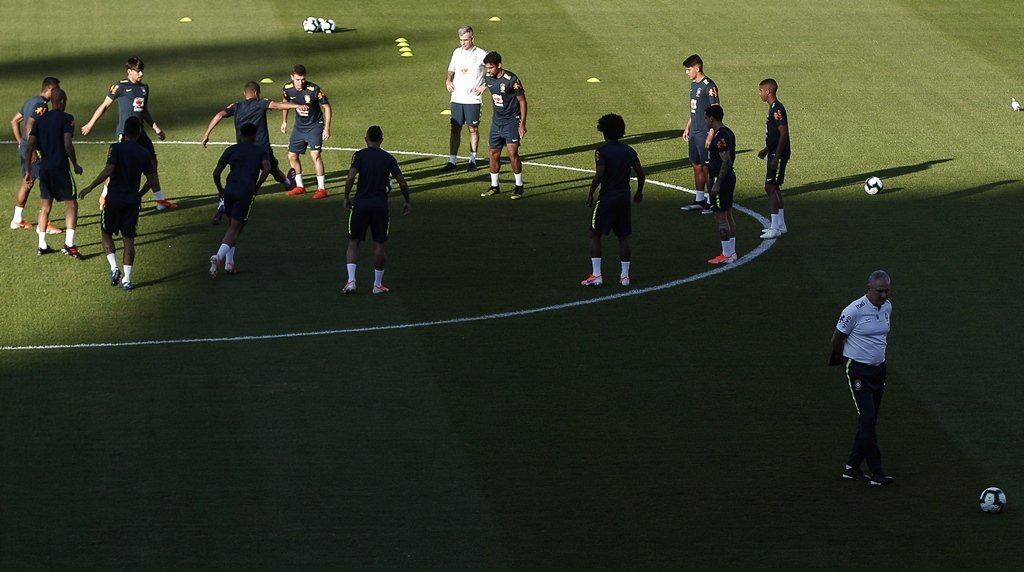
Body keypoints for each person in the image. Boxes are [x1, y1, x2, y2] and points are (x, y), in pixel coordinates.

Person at [80, 56, 177, 211]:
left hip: (141, 133)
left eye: (142, 71)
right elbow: (104, 105)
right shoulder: (119, 86)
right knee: (115, 167)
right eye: (138, 71)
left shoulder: (144, 88)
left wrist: (156, 128)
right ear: (129, 71)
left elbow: (144, 110)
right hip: (124, 134)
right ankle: (105, 196)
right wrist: (91, 124)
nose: (141, 74)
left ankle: (160, 201)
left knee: (153, 164)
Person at [201, 81, 307, 223]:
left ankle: (221, 207)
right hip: (261, 148)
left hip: (242, 150)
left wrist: (206, 134)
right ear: (257, 93)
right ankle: (288, 183)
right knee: (272, 169)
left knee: (237, 179)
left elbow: (219, 115)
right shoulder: (260, 103)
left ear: (245, 94)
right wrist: (297, 105)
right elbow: (277, 105)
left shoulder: (236, 106)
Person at [79, 117, 159, 291]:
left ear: (124, 131)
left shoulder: (116, 148)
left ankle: (114, 267)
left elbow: (109, 170)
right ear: (138, 132)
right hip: (131, 201)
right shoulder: (144, 153)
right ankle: (127, 280)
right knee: (128, 240)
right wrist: (139, 195)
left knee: (106, 233)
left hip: (114, 199)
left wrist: (90, 187)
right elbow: (152, 180)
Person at [830, 270, 894, 486]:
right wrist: (845, 361)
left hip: (879, 370)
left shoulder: (887, 307)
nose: (884, 295)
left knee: (869, 420)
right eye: (879, 291)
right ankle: (876, 472)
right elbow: (836, 339)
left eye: (886, 291)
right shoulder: (853, 311)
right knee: (867, 419)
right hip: (858, 371)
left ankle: (851, 467)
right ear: (869, 289)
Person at [342, 125, 411, 294]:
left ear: (366, 140)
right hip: (380, 206)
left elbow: (351, 177)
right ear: (381, 140)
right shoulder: (388, 158)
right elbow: (402, 181)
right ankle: (377, 285)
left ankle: (351, 281)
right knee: (379, 243)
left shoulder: (359, 156)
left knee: (353, 242)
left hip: (360, 204)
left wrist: (346, 196)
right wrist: (407, 200)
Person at [581, 113, 645, 287]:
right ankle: (625, 276)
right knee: (623, 237)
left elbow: (599, 174)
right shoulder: (629, 151)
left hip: (607, 198)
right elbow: (641, 173)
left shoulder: (601, 151)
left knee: (595, 234)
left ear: (603, 131)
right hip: (624, 198)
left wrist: (590, 193)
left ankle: (597, 275)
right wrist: (639, 192)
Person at [23, 88, 84, 258]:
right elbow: (67, 144)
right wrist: (76, 164)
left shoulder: (40, 121)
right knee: (71, 204)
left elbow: (29, 146)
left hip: (45, 169)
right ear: (62, 101)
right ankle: (69, 245)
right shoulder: (67, 118)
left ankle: (42, 245)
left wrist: (28, 171)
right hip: (60, 168)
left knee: (45, 207)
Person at [208, 123, 271, 278]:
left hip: (230, 190)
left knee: (231, 226)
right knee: (236, 229)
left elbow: (216, 173)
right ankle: (218, 257)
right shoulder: (260, 151)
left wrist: (220, 190)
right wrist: (257, 185)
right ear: (255, 135)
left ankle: (230, 264)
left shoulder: (231, 149)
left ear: (241, 134)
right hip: (245, 192)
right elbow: (267, 168)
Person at [9, 77, 63, 234]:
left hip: (25, 147)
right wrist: (32, 150)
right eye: (57, 90)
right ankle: (44, 224)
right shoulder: (42, 106)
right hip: (34, 150)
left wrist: (21, 142)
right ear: (51, 90)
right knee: (47, 184)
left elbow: (14, 121)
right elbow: (29, 126)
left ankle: (17, 220)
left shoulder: (30, 101)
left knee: (27, 181)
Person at [280, 64, 332, 200]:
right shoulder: (287, 88)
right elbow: (284, 103)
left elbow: (326, 107)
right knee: (292, 156)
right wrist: (284, 121)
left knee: (315, 155)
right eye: (297, 79)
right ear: (292, 77)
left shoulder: (314, 89)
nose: (300, 82)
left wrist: (327, 127)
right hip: (299, 126)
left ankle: (321, 189)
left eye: (302, 79)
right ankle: (300, 186)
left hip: (315, 125)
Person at [480, 51, 528, 200]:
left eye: (491, 68)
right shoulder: (488, 77)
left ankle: (519, 186)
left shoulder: (511, 80)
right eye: (486, 68)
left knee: (512, 153)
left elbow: (522, 101)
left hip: (511, 122)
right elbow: (494, 94)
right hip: (497, 122)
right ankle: (495, 186)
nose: (488, 71)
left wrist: (522, 123)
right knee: (493, 154)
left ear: (499, 65)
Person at [441, 25, 487, 173]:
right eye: (461, 40)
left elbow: (494, 69)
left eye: (465, 40)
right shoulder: (456, 52)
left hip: (473, 99)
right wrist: (448, 81)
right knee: (455, 128)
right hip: (457, 97)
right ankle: (452, 161)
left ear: (472, 39)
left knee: (473, 129)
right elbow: (451, 69)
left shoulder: (481, 54)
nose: (463, 43)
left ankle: (472, 160)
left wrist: (484, 86)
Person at [680, 54, 720, 214]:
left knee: (707, 167)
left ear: (698, 68)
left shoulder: (708, 86)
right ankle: (699, 200)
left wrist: (711, 132)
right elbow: (695, 109)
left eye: (689, 69)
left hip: (705, 132)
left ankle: (711, 201)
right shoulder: (693, 85)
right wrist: (687, 126)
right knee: (696, 164)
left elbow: (716, 110)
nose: (687, 72)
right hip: (695, 132)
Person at [703, 105, 738, 264]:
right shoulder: (727, 132)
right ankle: (731, 252)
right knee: (728, 214)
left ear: (712, 118)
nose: (705, 121)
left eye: (706, 117)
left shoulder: (721, 137)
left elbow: (726, 161)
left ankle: (727, 254)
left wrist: (717, 183)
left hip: (721, 179)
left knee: (720, 216)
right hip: (728, 177)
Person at [757, 78, 790, 239]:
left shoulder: (777, 109)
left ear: (768, 91)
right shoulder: (773, 108)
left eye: (761, 90)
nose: (760, 93)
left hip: (779, 154)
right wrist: (766, 149)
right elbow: (775, 135)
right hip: (774, 152)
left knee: (769, 187)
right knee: (774, 187)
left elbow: (783, 133)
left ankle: (775, 226)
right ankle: (781, 224)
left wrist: (776, 156)